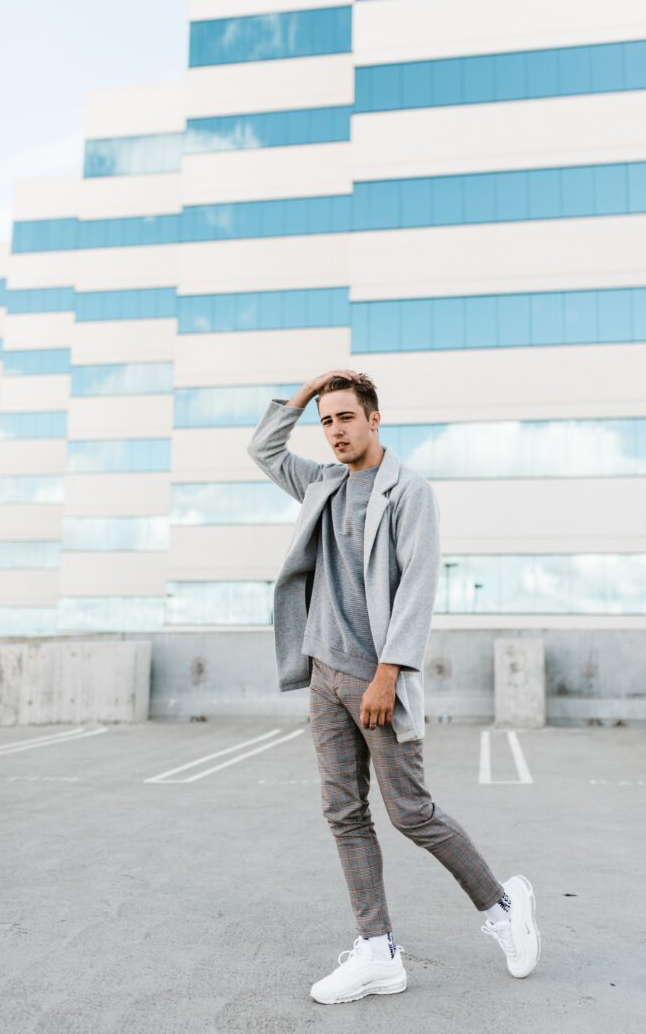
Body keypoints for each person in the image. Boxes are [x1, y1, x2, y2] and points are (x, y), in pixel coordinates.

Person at [247, 369, 540, 1005]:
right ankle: (377, 949)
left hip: (376, 678)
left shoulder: (410, 493)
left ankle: (502, 907)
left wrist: (388, 674)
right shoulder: (321, 483)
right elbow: (263, 451)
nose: (334, 432)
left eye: (344, 418)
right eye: (325, 422)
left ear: (374, 419)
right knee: (344, 812)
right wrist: (300, 397)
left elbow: (419, 588)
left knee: (411, 812)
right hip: (323, 675)